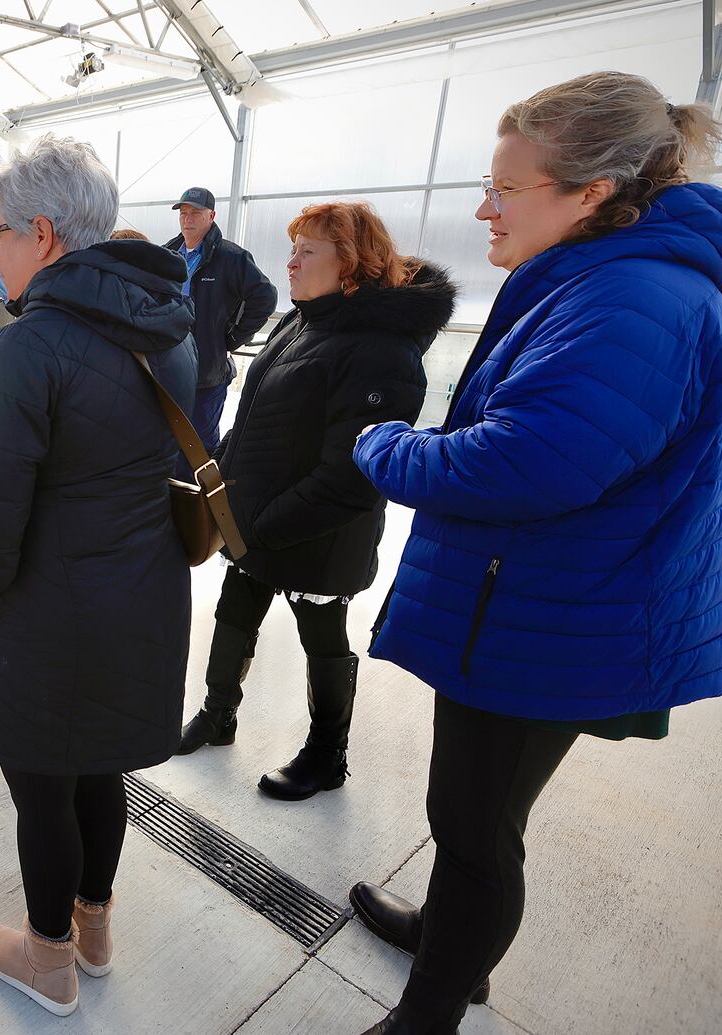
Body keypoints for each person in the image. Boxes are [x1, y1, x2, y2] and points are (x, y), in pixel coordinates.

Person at [347, 73, 722, 1035]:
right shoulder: (609, 275)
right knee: (473, 814)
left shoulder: (637, 295)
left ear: (590, 193)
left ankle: (431, 1009)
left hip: (546, 620)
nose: (483, 206)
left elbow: (529, 460)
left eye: (505, 187)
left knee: (475, 830)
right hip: (533, 603)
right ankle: (448, 939)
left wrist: (387, 444)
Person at [0, 135, 197, 1017]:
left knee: (42, 781)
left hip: (47, 612)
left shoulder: (27, 348)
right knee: (101, 771)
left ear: (41, 234)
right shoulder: (168, 329)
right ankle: (94, 927)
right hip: (141, 598)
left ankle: (47, 960)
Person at [174, 203, 455, 803]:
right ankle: (218, 714)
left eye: (308, 252)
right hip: (255, 521)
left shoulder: (382, 350)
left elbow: (353, 476)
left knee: (323, 639)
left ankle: (327, 754)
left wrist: (265, 524)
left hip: (318, 535)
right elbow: (251, 422)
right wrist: (220, 478)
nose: (291, 262)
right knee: (233, 616)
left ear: (350, 267)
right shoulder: (301, 322)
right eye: (294, 247)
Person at [165, 187, 278, 450]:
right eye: (183, 213)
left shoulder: (231, 258)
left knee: (199, 447)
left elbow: (265, 297)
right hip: (168, 369)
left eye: (195, 212)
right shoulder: (167, 255)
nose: (187, 219)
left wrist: (231, 339)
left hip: (206, 373)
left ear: (212, 215)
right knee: (166, 443)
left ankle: (202, 492)